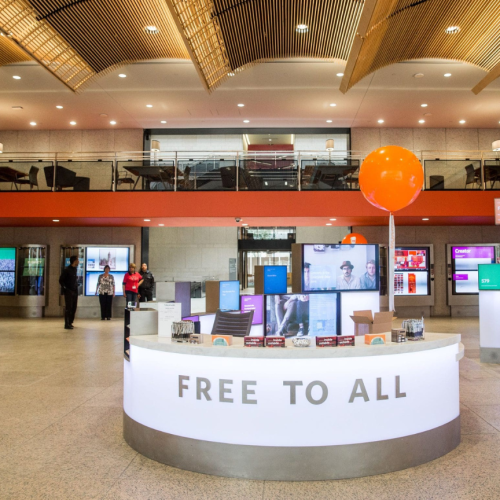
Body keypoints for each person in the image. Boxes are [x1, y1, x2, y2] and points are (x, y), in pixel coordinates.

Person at [59, 255, 79, 330]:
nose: (78, 261)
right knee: (68, 307)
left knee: (74, 307)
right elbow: (61, 280)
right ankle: (66, 323)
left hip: (75, 291)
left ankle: (70, 322)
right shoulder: (67, 270)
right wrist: (66, 289)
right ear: (74, 261)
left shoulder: (75, 269)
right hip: (69, 292)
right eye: (77, 260)